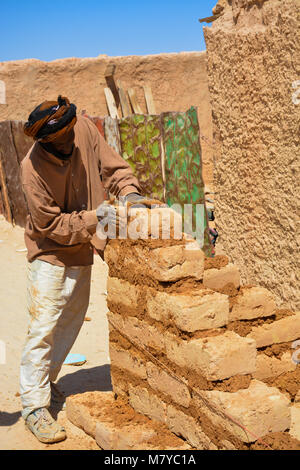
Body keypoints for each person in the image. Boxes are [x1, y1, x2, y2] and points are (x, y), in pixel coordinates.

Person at [20, 96, 145, 443]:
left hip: (83, 250)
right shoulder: (31, 170)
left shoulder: (85, 129)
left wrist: (130, 195)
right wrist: (97, 218)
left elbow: (114, 169)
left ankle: (47, 382)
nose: (69, 142)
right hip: (49, 253)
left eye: (70, 133)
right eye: (60, 141)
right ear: (45, 141)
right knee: (43, 326)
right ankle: (33, 405)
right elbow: (52, 225)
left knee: (69, 324)